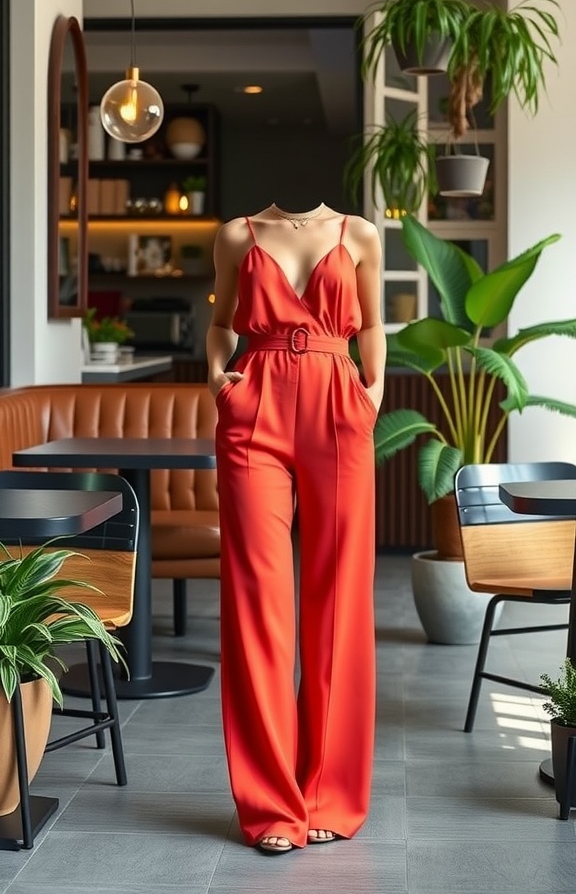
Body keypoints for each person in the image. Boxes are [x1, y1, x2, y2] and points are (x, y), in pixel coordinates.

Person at [206, 201, 386, 854]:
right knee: (259, 602)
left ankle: (329, 796)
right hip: (255, 403)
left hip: (339, 402)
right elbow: (222, 323)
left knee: (338, 599)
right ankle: (270, 807)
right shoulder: (235, 235)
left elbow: (373, 327)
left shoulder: (359, 233)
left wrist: (373, 392)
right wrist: (216, 380)